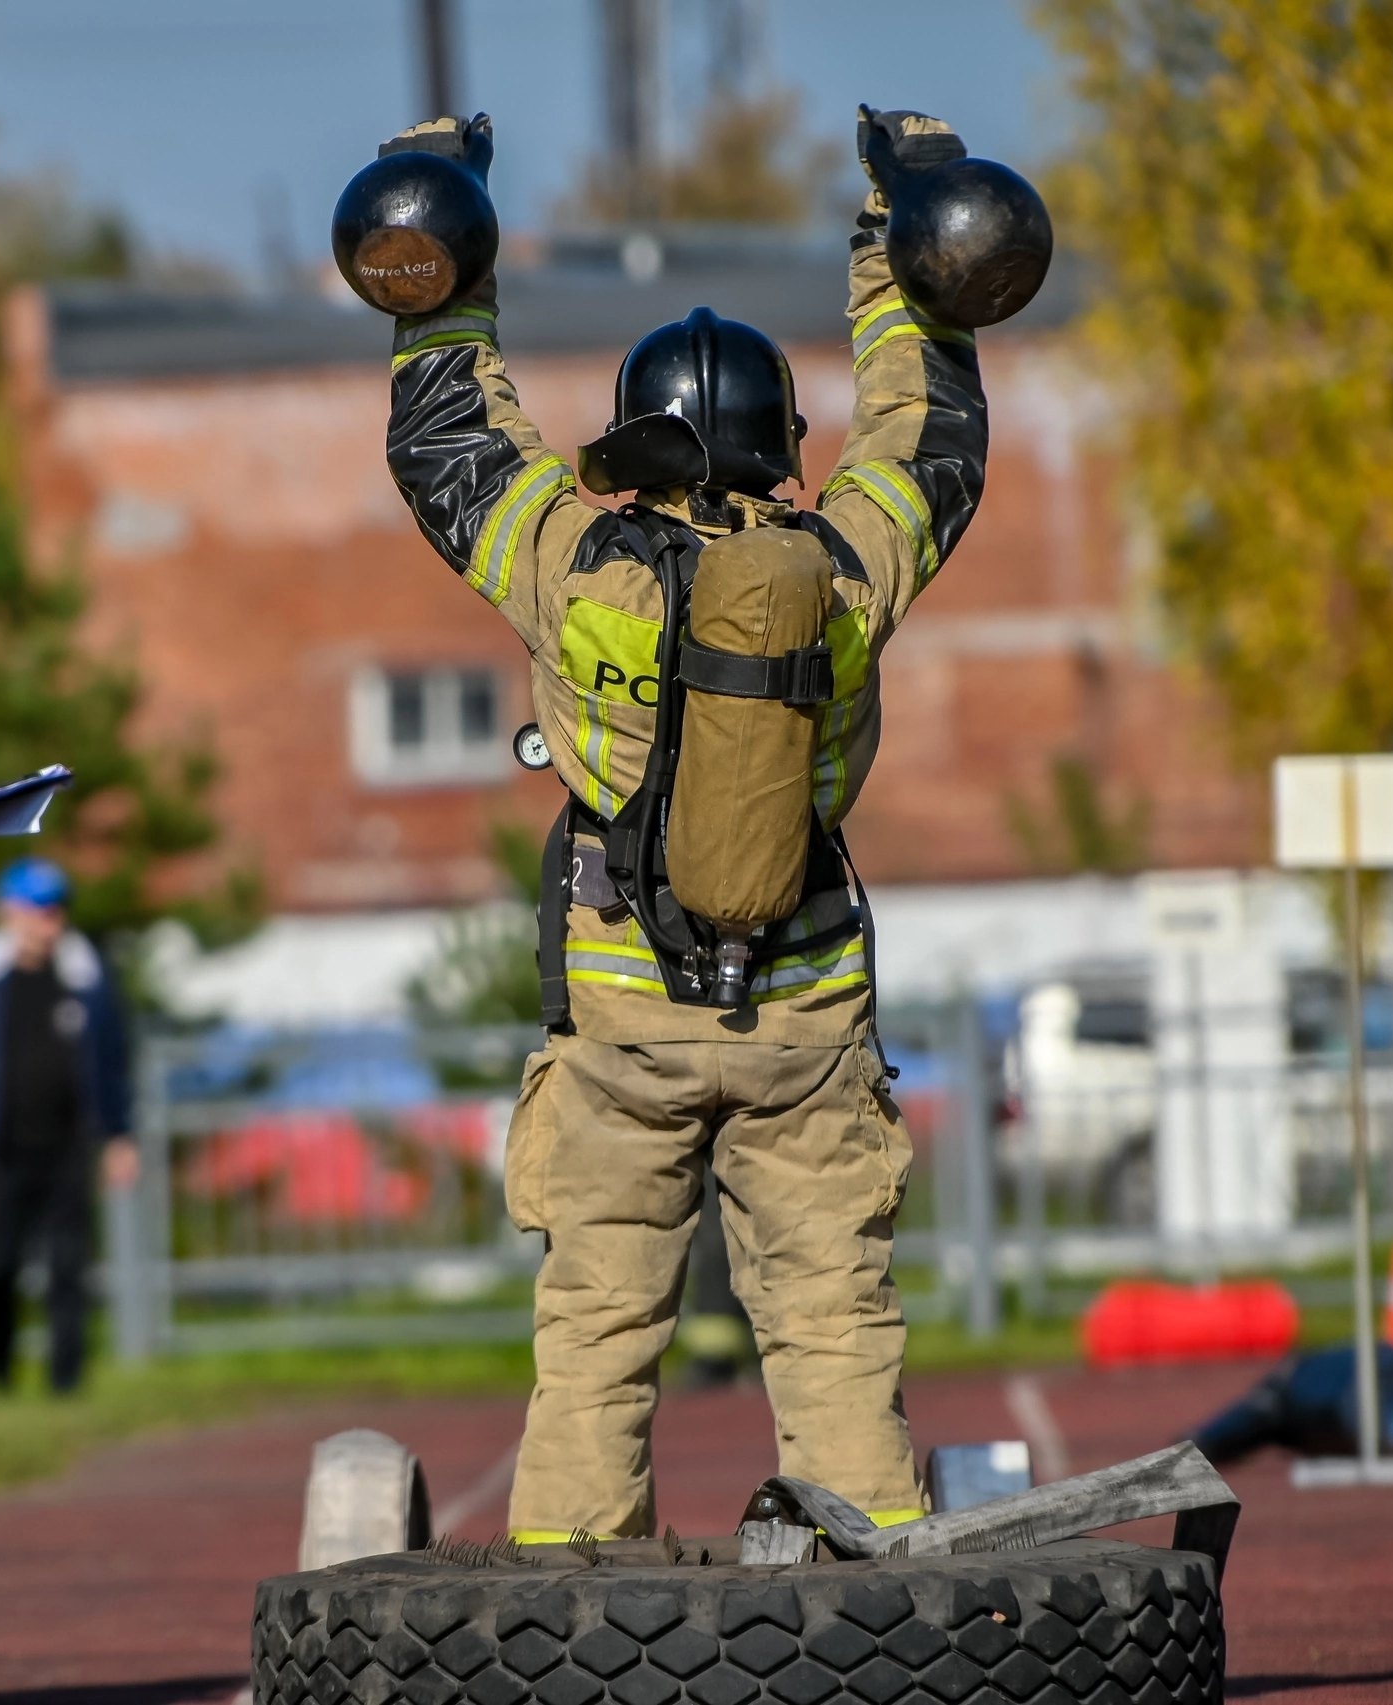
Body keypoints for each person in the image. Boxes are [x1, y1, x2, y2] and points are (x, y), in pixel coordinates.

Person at [374, 108, 989, 1541]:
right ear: (784, 444)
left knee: (595, 1334)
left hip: (623, 1006)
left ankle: (569, 1622)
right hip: (808, 1000)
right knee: (835, 1328)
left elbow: (451, 437)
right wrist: (898, 234)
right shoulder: (845, 570)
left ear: (640, 434)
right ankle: (881, 1615)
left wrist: (444, 235)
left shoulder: (574, 566)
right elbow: (931, 436)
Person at [0, 858, 128, 1394]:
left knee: (69, 1267)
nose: (50, 920)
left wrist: (118, 1135)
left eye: (57, 908)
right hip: (3, 1145)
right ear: (7, 913)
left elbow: (113, 1061)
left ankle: (67, 1379)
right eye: (38, 909)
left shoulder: (87, 974)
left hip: (68, 1145)